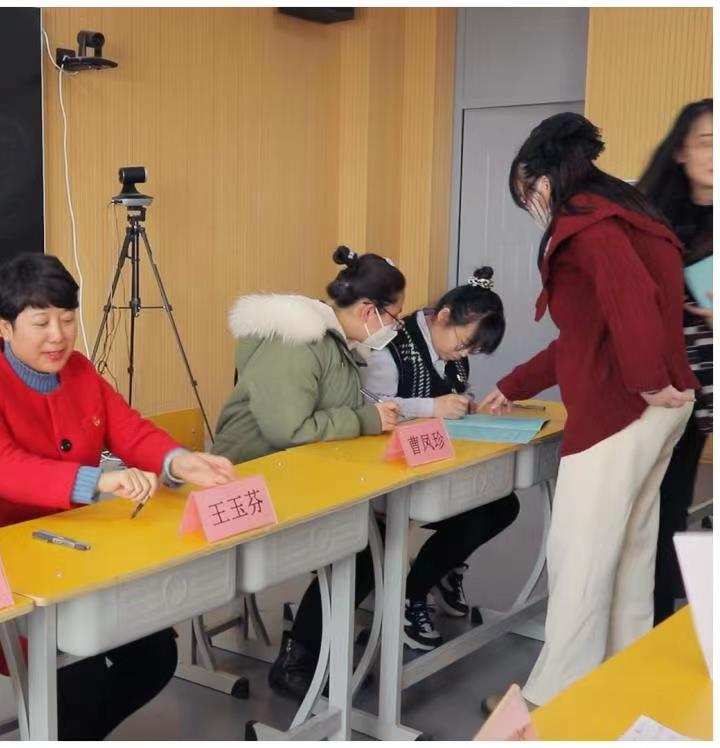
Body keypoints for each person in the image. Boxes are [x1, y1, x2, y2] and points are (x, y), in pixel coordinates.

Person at [0, 252, 237, 741]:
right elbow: (3, 469)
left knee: (155, 655)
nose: (59, 335)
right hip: (6, 576)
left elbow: (130, 430)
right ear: (5, 326)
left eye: (67, 319)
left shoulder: (80, 370)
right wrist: (96, 481)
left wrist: (179, 461)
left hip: (81, 561)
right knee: (76, 675)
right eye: (41, 322)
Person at [479, 113, 698, 710]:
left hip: (620, 410)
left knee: (579, 556)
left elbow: (631, 303)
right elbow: (584, 335)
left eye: (526, 192)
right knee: (627, 553)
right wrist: (514, 383)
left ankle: (554, 699)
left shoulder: (588, 225)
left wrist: (647, 382)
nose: (529, 205)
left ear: (545, 179)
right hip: (658, 410)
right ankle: (620, 685)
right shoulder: (632, 215)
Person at [210, 245, 404, 700]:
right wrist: (366, 420)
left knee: (368, 541)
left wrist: (368, 419)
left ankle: (316, 647)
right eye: (395, 318)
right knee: (361, 547)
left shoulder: (334, 342)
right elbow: (290, 429)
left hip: (293, 474)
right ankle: (298, 659)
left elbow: (324, 415)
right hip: (252, 482)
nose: (395, 328)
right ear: (368, 310)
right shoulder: (297, 341)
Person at [361, 267, 519, 651]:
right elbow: (371, 407)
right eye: (463, 344)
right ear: (443, 316)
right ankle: (411, 596)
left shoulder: (453, 352)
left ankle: (437, 575)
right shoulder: (392, 344)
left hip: (437, 468)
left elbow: (452, 395)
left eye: (472, 352)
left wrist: (468, 406)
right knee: (475, 514)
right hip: (386, 472)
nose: (463, 355)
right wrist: (433, 407)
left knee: (502, 505)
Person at [637, 98, 713, 624]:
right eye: (707, 141)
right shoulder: (652, 222)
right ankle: (656, 623)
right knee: (665, 507)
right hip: (672, 389)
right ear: (681, 151)